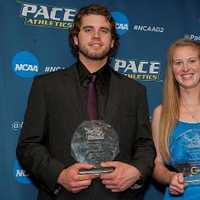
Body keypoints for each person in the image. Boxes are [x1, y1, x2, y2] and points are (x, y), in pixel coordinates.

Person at [16, 4, 155, 200]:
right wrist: (59, 175)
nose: (96, 36)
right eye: (88, 29)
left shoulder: (135, 90)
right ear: (75, 38)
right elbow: (28, 145)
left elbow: (145, 146)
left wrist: (136, 171)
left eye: (104, 31)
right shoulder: (46, 86)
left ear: (112, 41)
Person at [152, 38, 200, 199]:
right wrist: (171, 177)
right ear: (172, 69)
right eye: (178, 62)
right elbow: (157, 165)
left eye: (192, 61)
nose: (185, 68)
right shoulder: (162, 113)